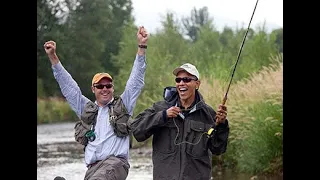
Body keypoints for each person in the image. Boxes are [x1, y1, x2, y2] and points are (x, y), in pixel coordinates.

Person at [43, 26, 148, 180]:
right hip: (92, 169)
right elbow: (69, 87)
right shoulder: (86, 109)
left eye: (108, 86)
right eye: (100, 86)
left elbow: (135, 82)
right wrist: (53, 57)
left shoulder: (123, 105)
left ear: (112, 88)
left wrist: (142, 47)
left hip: (116, 164)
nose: (104, 89)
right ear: (93, 89)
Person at [131, 63, 230, 180]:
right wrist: (163, 116)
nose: (181, 83)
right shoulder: (160, 108)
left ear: (197, 84)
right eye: (178, 80)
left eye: (187, 79)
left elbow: (218, 149)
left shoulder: (209, 115)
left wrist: (222, 125)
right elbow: (137, 130)